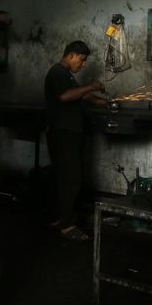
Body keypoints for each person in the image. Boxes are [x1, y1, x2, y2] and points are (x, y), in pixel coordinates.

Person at [44, 40, 107, 241]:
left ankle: (60, 218)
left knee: (64, 177)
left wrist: (97, 99)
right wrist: (91, 85)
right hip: (63, 133)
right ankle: (68, 226)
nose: (83, 64)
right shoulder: (57, 73)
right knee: (71, 179)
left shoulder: (67, 75)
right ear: (71, 55)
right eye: (82, 60)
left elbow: (78, 94)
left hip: (69, 133)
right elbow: (65, 96)